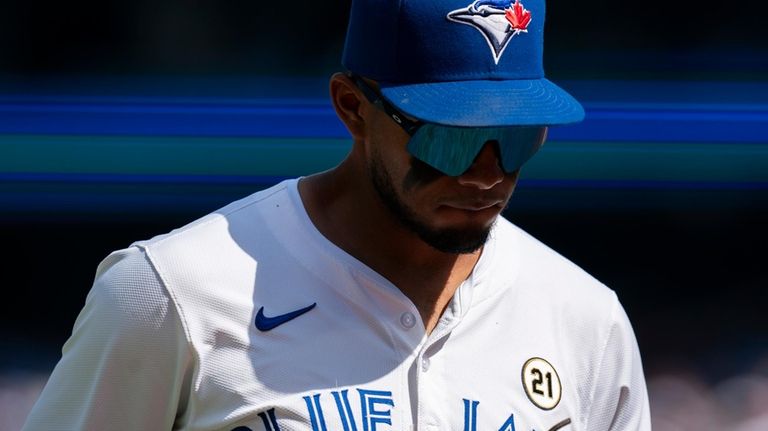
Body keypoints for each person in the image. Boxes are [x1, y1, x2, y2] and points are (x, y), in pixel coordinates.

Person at [23, 0, 651, 429]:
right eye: (451, 139)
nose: (487, 173)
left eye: (518, 138)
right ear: (353, 107)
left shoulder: (585, 318)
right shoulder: (171, 293)